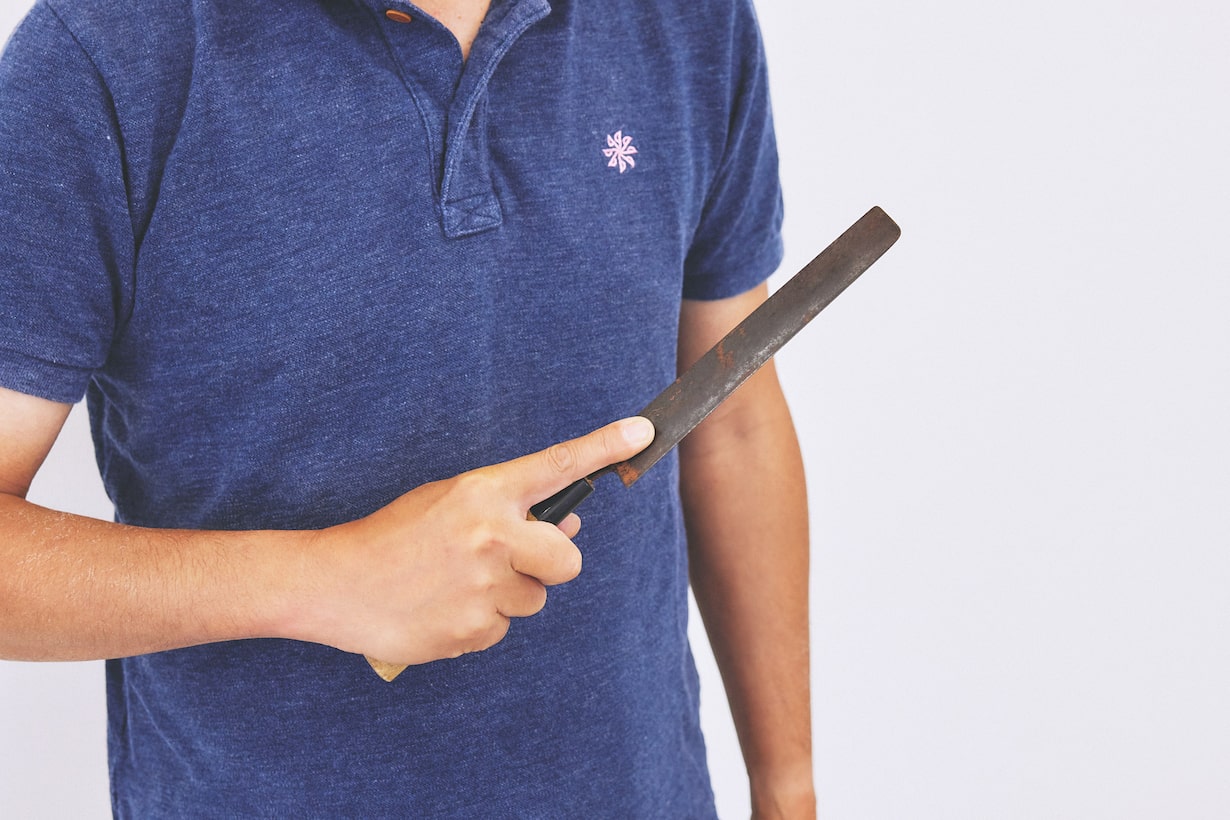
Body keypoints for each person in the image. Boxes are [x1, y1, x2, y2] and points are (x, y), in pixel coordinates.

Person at [0, 0, 814, 814]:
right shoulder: (107, 48)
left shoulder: (690, 20)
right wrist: (327, 579)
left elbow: (734, 426)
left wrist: (788, 789)